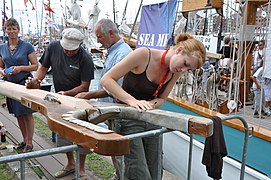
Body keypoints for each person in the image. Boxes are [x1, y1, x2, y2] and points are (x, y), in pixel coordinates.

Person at [100, 33, 206, 180]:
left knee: (156, 172)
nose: (183, 70)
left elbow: (162, 99)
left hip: (150, 118)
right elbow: (106, 80)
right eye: (186, 64)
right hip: (127, 118)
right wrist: (132, 101)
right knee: (137, 173)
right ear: (179, 50)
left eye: (188, 69)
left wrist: (150, 104)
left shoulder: (174, 71)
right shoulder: (143, 55)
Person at [26, 28, 94, 179]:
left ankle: (81, 169)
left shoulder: (86, 58)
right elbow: (43, 68)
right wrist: (36, 81)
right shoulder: (53, 47)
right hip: (59, 99)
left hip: (79, 101)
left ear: (79, 46)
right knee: (63, 132)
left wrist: (67, 93)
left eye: (72, 50)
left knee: (81, 134)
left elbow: (85, 86)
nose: (68, 52)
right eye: (66, 48)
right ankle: (70, 163)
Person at [75, 18, 132, 179]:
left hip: (118, 112)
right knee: (116, 151)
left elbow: (115, 90)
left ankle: (121, 176)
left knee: (120, 151)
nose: (98, 41)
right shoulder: (115, 52)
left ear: (111, 34)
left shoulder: (123, 54)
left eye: (99, 36)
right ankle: (118, 174)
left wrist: (89, 94)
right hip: (111, 112)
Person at [0, 18, 38, 153]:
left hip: (25, 84)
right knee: (18, 114)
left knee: (27, 114)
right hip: (11, 86)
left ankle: (30, 142)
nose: (11, 32)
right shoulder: (2, 47)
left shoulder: (27, 46)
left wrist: (20, 68)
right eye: (9, 29)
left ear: (18, 30)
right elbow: (0, 65)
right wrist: (3, 72)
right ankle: (24, 139)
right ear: (5, 30)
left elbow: (35, 66)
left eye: (14, 28)